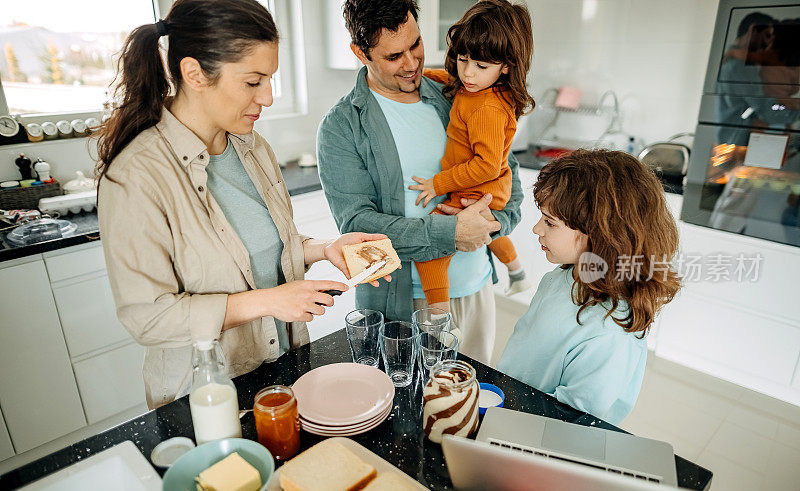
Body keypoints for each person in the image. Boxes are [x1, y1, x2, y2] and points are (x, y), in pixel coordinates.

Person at [96, 0, 387, 409]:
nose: (267, 98)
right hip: (205, 395)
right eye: (253, 82)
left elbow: (260, 248)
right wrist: (271, 300)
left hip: (281, 368)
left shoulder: (252, 147)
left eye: (270, 79)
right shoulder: (136, 175)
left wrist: (324, 250)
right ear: (194, 73)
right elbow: (149, 318)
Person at [317, 0, 523, 364]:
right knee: (404, 414)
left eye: (416, 45)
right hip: (399, 305)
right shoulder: (341, 126)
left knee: (467, 411)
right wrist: (450, 233)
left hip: (475, 289)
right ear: (360, 53)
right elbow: (357, 228)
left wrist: (492, 224)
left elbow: (508, 181)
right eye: (394, 56)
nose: (412, 64)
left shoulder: (457, 94)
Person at [497, 150, 681, 425]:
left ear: (601, 235)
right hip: (512, 404)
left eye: (549, 222)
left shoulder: (610, 330)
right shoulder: (565, 276)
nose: (536, 229)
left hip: (541, 429)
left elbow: (572, 418)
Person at [409, 0, 534, 312]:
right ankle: (517, 272)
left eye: (480, 66)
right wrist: (425, 75)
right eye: (462, 59)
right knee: (487, 231)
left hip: (476, 189)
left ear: (506, 66)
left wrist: (438, 184)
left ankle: (437, 318)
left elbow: (486, 165)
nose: (467, 73)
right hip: (488, 190)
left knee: (430, 248)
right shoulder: (479, 88)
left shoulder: (487, 109)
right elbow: (459, 81)